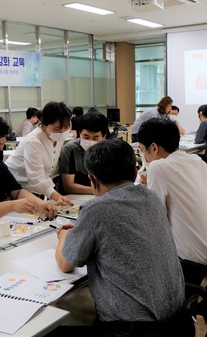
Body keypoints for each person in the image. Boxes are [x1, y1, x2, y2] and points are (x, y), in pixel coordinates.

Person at [54, 139, 193, 337]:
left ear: (92, 180)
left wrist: (64, 236)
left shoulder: (96, 210)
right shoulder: (151, 198)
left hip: (132, 331)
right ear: (136, 173)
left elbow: (65, 264)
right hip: (179, 324)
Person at [138, 118, 207, 266]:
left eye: (142, 150)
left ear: (153, 148)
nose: (143, 156)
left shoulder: (157, 168)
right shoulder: (197, 160)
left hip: (194, 263)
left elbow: (155, 222)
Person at [6, 101, 73, 205]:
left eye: (65, 129)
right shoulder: (34, 141)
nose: (61, 134)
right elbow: (35, 176)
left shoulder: (57, 136)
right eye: (57, 129)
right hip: (18, 187)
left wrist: (52, 192)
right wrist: (54, 194)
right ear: (45, 123)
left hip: (38, 188)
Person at [59, 110, 109, 194]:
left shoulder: (108, 150)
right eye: (86, 137)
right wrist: (100, 191)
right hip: (75, 197)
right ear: (80, 133)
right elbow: (68, 187)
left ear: (104, 136)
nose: (90, 141)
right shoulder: (70, 149)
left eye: (95, 138)